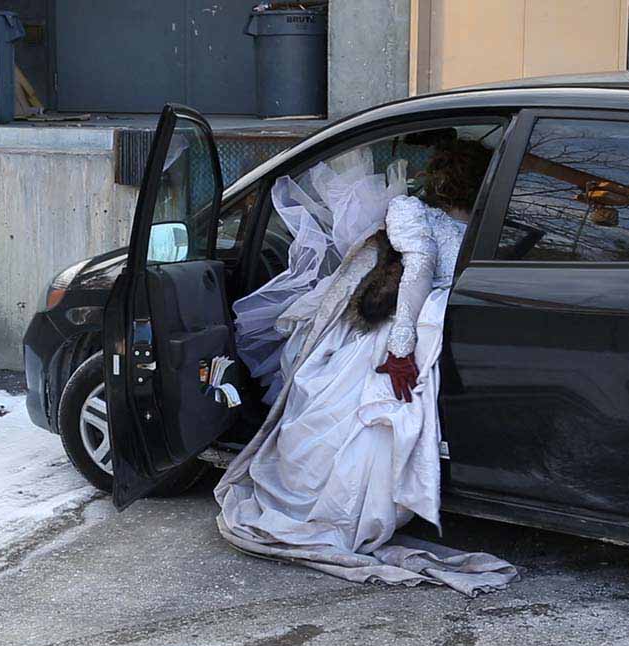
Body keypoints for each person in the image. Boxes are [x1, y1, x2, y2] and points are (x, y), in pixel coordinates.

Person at [216, 136, 518, 595]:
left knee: (343, 411)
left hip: (407, 322)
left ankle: (329, 511)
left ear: (438, 178)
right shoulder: (486, 227)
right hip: (441, 317)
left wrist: (400, 347)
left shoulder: (411, 211)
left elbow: (418, 268)